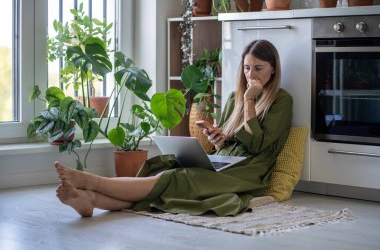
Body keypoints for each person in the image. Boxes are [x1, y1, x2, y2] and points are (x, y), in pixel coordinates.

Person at [55, 39, 293, 217]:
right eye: (247, 68)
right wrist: (218, 139)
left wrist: (251, 101)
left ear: (273, 68)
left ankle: (91, 183)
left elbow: (257, 145)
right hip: (225, 161)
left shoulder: (281, 100)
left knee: (176, 178)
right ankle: (91, 200)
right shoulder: (235, 98)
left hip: (250, 172)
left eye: (258, 68)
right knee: (166, 164)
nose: (251, 74)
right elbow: (229, 143)